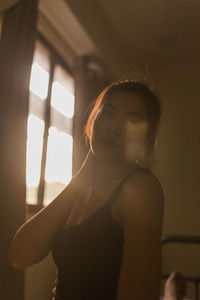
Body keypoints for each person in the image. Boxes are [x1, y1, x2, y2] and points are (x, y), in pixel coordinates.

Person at [9, 80, 167, 300]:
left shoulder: (140, 189)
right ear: (93, 121)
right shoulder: (80, 189)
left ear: (146, 138)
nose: (114, 127)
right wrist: (78, 181)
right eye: (108, 113)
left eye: (132, 120)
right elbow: (20, 256)